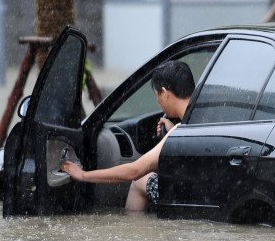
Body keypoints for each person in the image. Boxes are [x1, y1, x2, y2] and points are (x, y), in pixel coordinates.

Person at [61, 61, 195, 211]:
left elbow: (134, 170)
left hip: (188, 196)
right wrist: (171, 132)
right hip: (203, 191)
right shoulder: (200, 117)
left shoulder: (179, 131)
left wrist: (83, 175)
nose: (158, 101)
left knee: (139, 182)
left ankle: (137, 230)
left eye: (157, 95)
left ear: (165, 93)